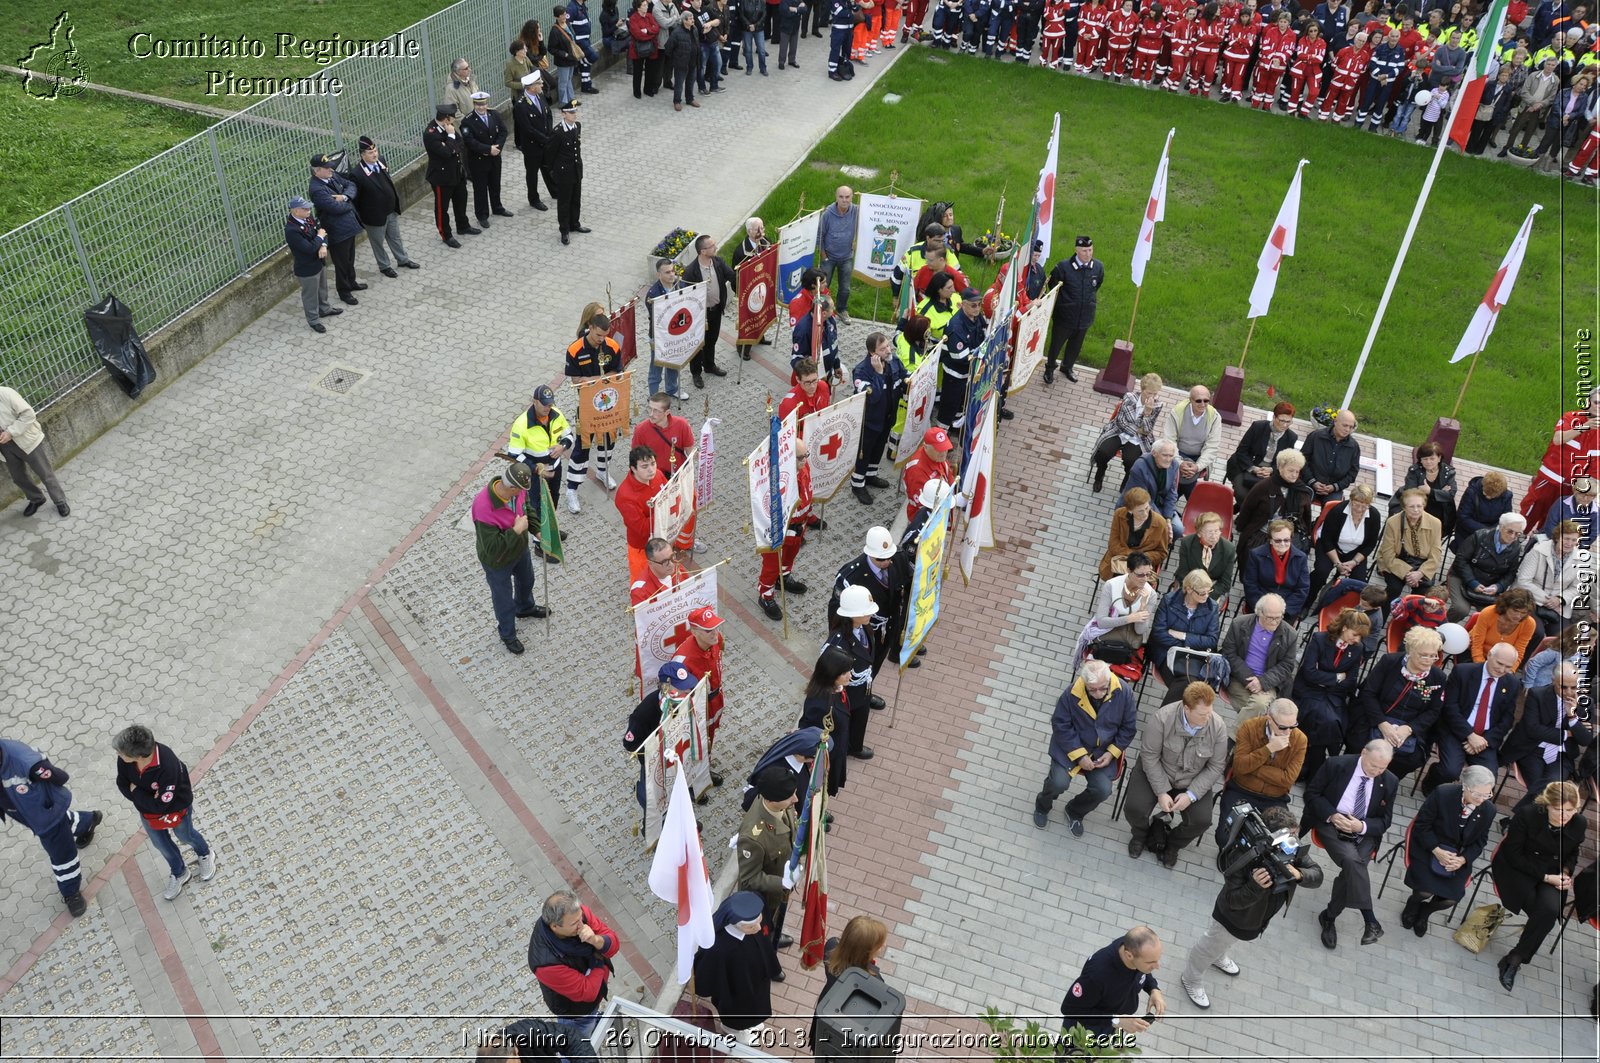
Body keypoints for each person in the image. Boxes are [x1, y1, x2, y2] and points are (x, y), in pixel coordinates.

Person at [1180, 804, 1322, 1009]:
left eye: (1295, 835)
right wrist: (1255, 886)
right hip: (1232, 918)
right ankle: (1191, 979)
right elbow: (1233, 900)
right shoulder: (1242, 855)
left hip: (1257, 918)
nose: (1294, 842)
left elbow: (1317, 874)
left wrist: (1300, 874)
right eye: (1290, 836)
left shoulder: (1289, 844)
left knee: (1225, 943)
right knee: (1210, 945)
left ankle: (1218, 957)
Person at [1492, 781, 1587, 991]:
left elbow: (1572, 853)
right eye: (1558, 810)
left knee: (1549, 911)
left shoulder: (1579, 823)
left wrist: (1565, 873)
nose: (1564, 816)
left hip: (1552, 871)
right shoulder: (1528, 815)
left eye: (1570, 811)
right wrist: (1546, 878)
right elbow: (1513, 855)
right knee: (1545, 915)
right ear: (1547, 804)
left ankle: (1515, 958)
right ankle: (1514, 960)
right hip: (1517, 868)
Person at [1303, 739, 1397, 949]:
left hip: (1362, 829)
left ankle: (1329, 916)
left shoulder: (1389, 781)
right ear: (1363, 752)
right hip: (1332, 824)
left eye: (1383, 767)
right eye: (1373, 765)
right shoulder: (1336, 765)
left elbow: (1385, 821)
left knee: (1352, 870)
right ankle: (1369, 918)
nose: (1377, 771)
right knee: (1352, 861)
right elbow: (1311, 794)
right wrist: (1332, 816)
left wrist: (1361, 827)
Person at [1123, 682, 1229, 868]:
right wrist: (1162, 791)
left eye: (1210, 712)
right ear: (1187, 708)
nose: (1208, 717)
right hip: (1157, 770)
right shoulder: (1162, 719)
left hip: (1192, 780)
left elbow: (1216, 766)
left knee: (1202, 821)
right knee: (1134, 808)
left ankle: (1172, 845)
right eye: (1202, 714)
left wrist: (1191, 794)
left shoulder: (1218, 726)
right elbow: (1149, 756)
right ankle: (1140, 835)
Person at [0, 738, 102, 918]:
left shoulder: (23, 760)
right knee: (61, 829)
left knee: (62, 855)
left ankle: (71, 892)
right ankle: (88, 821)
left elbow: (59, 777)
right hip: (25, 812)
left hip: (46, 814)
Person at [113, 723, 217, 900]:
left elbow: (162, 805)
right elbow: (122, 784)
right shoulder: (125, 761)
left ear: (138, 756)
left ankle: (205, 854)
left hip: (176, 809)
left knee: (186, 836)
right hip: (148, 813)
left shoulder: (167, 766)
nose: (118, 755)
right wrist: (147, 800)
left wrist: (136, 791)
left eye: (121, 753)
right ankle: (179, 872)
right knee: (161, 844)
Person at [1033, 659, 1137, 835]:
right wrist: (1080, 756)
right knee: (1057, 783)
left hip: (1103, 752)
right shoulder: (1071, 693)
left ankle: (1075, 811)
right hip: (1071, 748)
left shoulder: (1124, 692)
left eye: (1103, 688)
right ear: (1085, 684)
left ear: (1110, 679)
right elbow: (1060, 725)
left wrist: (1112, 753)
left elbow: (1128, 728)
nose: (1098, 694)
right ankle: (1042, 806)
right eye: (1092, 689)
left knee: (1103, 790)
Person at [1399, 766, 1496, 938]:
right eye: (1477, 794)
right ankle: (1413, 903)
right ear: (1465, 786)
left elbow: (1481, 841)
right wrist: (1436, 850)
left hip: (1456, 856)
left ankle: (1425, 912)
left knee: (1449, 899)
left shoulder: (1488, 810)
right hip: (1429, 847)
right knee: (1424, 892)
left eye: (1487, 795)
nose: (1482, 799)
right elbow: (1421, 826)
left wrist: (1463, 860)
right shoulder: (1442, 794)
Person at [527, 889, 620, 1059]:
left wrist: (595, 940)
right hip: (576, 1014)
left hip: (591, 999)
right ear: (555, 926)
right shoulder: (545, 963)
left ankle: (594, 1021)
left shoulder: (577, 914)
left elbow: (613, 943)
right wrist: (599, 958)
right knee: (574, 1051)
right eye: (574, 924)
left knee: (591, 1017)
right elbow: (588, 992)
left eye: (580, 919)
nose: (581, 926)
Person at [1421, 642, 1522, 793]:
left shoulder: (1512, 683)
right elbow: (1449, 707)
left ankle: (1463, 800)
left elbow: (1507, 719)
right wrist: (1469, 735)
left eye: (1508, 667)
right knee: (1449, 772)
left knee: (1488, 781)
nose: (1502, 670)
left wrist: (1485, 740)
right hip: (1456, 731)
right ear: (1489, 655)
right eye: (1499, 663)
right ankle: (1431, 782)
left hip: (1485, 739)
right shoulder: (1463, 672)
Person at [1349, 625, 1446, 780]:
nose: (1429, 661)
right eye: (1424, 655)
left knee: (1411, 758)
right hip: (1377, 718)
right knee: (1358, 743)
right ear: (1411, 651)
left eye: (1433, 656)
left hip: (1408, 727)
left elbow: (1434, 711)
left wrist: (1409, 729)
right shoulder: (1389, 662)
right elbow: (1369, 693)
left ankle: (1383, 785)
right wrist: (1382, 723)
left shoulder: (1438, 677)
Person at [473, 461, 548, 655]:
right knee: (503, 599)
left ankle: (524, 607)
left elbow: (527, 509)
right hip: (498, 562)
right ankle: (507, 633)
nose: (522, 494)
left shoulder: (519, 490)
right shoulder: (483, 507)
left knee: (527, 580)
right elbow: (492, 549)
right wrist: (516, 531)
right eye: (519, 490)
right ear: (511, 487)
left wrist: (537, 531)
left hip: (520, 550)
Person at [1214, 698, 1305, 848]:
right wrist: (1268, 749)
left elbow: (1288, 779)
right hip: (1241, 790)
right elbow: (1240, 766)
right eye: (1283, 727)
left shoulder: (1300, 739)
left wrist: (1253, 767)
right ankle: (1229, 859)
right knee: (1224, 838)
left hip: (1275, 798)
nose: (1288, 732)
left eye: (1293, 726)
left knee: (1283, 844)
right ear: (1269, 718)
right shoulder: (1249, 727)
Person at [1502, 664, 1594, 811]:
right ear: (1553, 681)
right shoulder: (1537, 695)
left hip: (1562, 755)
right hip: (1533, 749)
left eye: (1573, 687)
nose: (1569, 692)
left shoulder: (1586, 704)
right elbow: (1533, 730)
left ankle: (1513, 823)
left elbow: (1585, 740)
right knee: (1546, 792)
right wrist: (1568, 733)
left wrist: (1572, 717)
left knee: (1550, 788)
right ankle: (1518, 825)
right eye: (1563, 687)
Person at [1293, 608, 1370, 782]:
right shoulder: (1320, 639)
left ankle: (1307, 766)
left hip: (1334, 696)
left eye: (1360, 637)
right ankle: (1316, 772)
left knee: (1332, 722)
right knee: (1326, 721)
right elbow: (1309, 672)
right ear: (1344, 628)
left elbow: (1351, 681)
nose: (1357, 640)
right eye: (1355, 634)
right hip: (1309, 691)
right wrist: (1337, 677)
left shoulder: (1357, 648)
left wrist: (1326, 679)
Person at [692, 892, 781, 1041]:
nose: (759, 928)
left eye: (759, 921)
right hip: (735, 992)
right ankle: (734, 1030)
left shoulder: (753, 919)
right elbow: (705, 978)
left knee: (758, 1002)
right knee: (738, 1014)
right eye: (751, 927)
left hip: (757, 980)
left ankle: (752, 1023)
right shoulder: (716, 948)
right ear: (735, 923)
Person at [1060, 927, 1166, 1044]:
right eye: (1151, 962)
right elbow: (1070, 1009)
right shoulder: (1096, 975)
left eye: (1157, 959)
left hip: (1112, 1024)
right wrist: (1116, 1020)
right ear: (1129, 955)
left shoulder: (1135, 951)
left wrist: (1153, 989)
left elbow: (1143, 972)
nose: (1157, 967)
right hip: (1084, 1033)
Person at [736, 765, 799, 956]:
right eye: (790, 797)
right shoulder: (753, 837)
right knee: (761, 934)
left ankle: (773, 936)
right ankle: (766, 955)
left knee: (774, 922)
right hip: (764, 899)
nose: (795, 799)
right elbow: (749, 878)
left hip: (778, 891)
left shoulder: (777, 800)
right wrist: (782, 882)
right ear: (771, 801)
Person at [507, 385, 575, 557]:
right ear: (534, 401)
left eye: (550, 404)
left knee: (553, 499)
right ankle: (539, 543)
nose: (548, 407)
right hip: (535, 475)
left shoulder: (556, 414)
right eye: (544, 404)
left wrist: (562, 446)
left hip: (555, 468)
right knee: (536, 505)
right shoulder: (522, 424)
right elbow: (514, 453)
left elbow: (569, 436)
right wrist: (535, 468)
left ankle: (550, 531)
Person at [829, 529, 906, 681]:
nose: (886, 562)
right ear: (869, 553)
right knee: (856, 669)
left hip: (889, 626)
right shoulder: (850, 576)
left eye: (888, 557)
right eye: (880, 559)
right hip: (862, 631)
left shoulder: (898, 558)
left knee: (876, 662)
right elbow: (836, 611)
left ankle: (867, 691)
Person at [1518, 384, 1599, 528]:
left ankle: (1542, 540)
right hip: (1551, 479)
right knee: (1532, 508)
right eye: (1596, 402)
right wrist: (1584, 427)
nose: (1598, 407)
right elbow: (1557, 439)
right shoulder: (1570, 417)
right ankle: (1519, 535)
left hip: (1572, 487)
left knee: (1556, 520)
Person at [622, 661, 698, 811]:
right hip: (655, 762)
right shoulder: (645, 713)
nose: (689, 690)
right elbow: (630, 743)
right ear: (666, 688)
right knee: (650, 795)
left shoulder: (684, 700)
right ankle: (653, 826)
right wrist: (654, 749)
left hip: (678, 752)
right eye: (682, 688)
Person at [812, 915, 890, 1056]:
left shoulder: (831, 947)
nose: (883, 946)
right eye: (879, 944)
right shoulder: (874, 981)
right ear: (867, 951)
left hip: (826, 1014)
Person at [757, 437, 813, 620]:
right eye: (799, 457)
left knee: (790, 557)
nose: (804, 460)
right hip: (779, 532)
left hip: (798, 528)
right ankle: (766, 595)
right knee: (772, 567)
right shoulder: (777, 480)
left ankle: (784, 578)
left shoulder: (804, 468)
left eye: (806, 455)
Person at [346, 137, 418, 277]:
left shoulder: (381, 161)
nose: (374, 154)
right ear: (362, 155)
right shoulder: (357, 174)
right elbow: (356, 199)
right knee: (377, 242)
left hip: (390, 209)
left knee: (395, 237)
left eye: (375, 150)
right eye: (370, 152)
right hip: (374, 215)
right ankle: (384, 265)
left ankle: (402, 259)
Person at [1221, 592, 1297, 722]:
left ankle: (1234, 740)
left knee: (1259, 705)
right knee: (1263, 712)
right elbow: (1229, 653)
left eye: (1279, 617)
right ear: (1259, 612)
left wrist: (1262, 682)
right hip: (1239, 678)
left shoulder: (1290, 634)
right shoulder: (1239, 624)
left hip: (1268, 683)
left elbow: (1287, 665)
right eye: (1270, 618)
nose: (1275, 622)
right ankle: (1250, 738)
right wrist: (1249, 680)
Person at [1306, 482, 1381, 608]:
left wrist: (1354, 562)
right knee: (1321, 571)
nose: (1359, 509)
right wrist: (1338, 564)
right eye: (1356, 504)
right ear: (1350, 500)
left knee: (1358, 581)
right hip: (1331, 547)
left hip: (1354, 552)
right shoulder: (1338, 511)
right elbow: (1327, 539)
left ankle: (1340, 605)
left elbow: (1370, 544)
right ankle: (1307, 602)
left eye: (1365, 506)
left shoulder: (1374, 515)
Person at [1149, 570, 1221, 700]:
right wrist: (1184, 646)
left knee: (1187, 688)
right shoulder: (1169, 601)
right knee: (1192, 690)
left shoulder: (1212, 607)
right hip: (1167, 654)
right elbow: (1158, 633)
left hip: (1196, 657)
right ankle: (1171, 719)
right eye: (1201, 593)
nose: (1206, 596)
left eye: (1208, 592)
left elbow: (1212, 640)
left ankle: (1164, 718)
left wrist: (1183, 636)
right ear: (1188, 589)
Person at [1043, 236, 1104, 385]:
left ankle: (1067, 367)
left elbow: (1097, 285)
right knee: (1056, 345)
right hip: (1065, 317)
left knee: (1075, 346)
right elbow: (1053, 286)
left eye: (1090, 250)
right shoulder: (1063, 267)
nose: (1088, 254)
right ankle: (1049, 368)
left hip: (1085, 317)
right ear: (1076, 250)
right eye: (1084, 250)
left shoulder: (1098, 267)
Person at [0, 385, 69, 516]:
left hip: (25, 439)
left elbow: (28, 414)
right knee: (18, 477)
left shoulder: (6, 393)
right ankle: (37, 499)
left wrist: (10, 432)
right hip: (4, 447)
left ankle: (60, 501)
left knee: (44, 473)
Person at [850, 333, 903, 504]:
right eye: (883, 349)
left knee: (879, 449)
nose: (888, 350)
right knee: (864, 454)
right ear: (873, 354)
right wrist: (879, 374)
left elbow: (903, 375)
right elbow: (873, 397)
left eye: (888, 345)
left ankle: (870, 476)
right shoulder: (861, 372)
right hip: (869, 422)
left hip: (887, 418)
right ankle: (857, 483)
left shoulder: (892, 360)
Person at [1091, 373, 1165, 493]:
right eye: (1149, 393)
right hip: (1119, 432)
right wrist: (1137, 429)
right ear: (1142, 390)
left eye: (1155, 394)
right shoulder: (1129, 398)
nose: (1152, 397)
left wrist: (1147, 413)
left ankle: (1126, 483)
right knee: (1103, 452)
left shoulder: (1157, 405)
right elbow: (1120, 421)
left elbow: (1147, 430)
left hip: (1138, 439)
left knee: (1132, 461)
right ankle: (1100, 474)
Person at [673, 606, 729, 765]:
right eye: (708, 630)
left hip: (716, 700)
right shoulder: (683, 660)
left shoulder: (716, 639)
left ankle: (706, 763)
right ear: (695, 632)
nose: (714, 632)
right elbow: (675, 694)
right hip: (697, 710)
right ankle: (698, 773)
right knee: (699, 742)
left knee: (710, 736)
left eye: (715, 627)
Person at [1447, 512, 1527, 621]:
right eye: (1510, 531)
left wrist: (1498, 586)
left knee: (1491, 615)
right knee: (1460, 609)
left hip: (1489, 585)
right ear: (1501, 527)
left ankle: (1473, 635)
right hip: (1462, 577)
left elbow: (1511, 573)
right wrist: (1472, 582)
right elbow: (1461, 560)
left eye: (1518, 534)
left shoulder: (1516, 547)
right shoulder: (1479, 536)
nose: (1513, 537)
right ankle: (1442, 627)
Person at [1514, 518, 1584, 644]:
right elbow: (1523, 580)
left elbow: (1576, 588)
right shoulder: (1538, 550)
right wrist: (1548, 600)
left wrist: (1559, 599)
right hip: (1531, 599)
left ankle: (1543, 662)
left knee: (1563, 640)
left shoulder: (1580, 559)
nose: (1569, 543)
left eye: (1574, 540)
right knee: (1536, 633)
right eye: (1566, 538)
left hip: (1559, 606)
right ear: (1557, 537)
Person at [307, 153, 364, 306]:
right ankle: (344, 291)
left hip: (348, 226)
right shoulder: (317, 189)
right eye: (326, 168)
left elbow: (351, 185)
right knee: (342, 262)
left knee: (350, 258)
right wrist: (350, 203)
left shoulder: (331, 177)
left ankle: (351, 282)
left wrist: (345, 197)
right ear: (316, 171)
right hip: (337, 230)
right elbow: (334, 208)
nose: (331, 170)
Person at [798, 646, 856, 796]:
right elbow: (814, 736)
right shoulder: (821, 705)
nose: (850, 676)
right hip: (826, 758)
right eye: (845, 673)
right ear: (832, 674)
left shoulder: (835, 689)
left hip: (838, 747)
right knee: (821, 789)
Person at [681, 236, 735, 385]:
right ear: (702, 251)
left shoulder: (718, 262)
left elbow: (732, 275)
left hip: (716, 310)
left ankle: (709, 366)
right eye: (712, 246)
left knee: (712, 340)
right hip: (700, 315)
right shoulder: (691, 271)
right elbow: (686, 295)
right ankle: (696, 373)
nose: (715, 247)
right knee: (698, 344)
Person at [1083, 552, 1157, 662]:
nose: (1145, 579)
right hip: (1106, 637)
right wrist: (1130, 618)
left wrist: (1142, 606)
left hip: (1128, 644)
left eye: (1148, 574)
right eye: (1140, 575)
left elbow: (1140, 630)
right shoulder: (1111, 585)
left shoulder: (1151, 594)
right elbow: (1101, 622)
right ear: (1129, 571)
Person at [1236, 449, 1313, 552]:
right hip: (1262, 534)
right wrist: (1243, 531)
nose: (1294, 475)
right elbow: (1246, 509)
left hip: (1288, 537)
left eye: (1297, 471)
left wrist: (1306, 534)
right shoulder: (1263, 486)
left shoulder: (1302, 491)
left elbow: (1306, 517)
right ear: (1280, 468)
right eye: (1291, 470)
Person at [1375, 487, 1444, 600]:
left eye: (1419, 506)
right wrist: (1409, 573)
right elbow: (1388, 554)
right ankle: (1381, 616)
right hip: (1396, 561)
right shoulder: (1393, 522)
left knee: (1422, 594)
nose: (1416, 510)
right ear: (1404, 507)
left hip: (1421, 565)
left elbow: (1436, 555)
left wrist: (1420, 573)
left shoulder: (1435, 523)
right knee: (1393, 589)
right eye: (1411, 506)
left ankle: (1409, 616)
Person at [1158, 385, 1221, 501]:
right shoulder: (1177, 412)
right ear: (1190, 400)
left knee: (1185, 479)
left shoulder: (1215, 417)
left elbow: (1212, 447)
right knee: (1187, 482)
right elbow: (1170, 440)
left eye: (1206, 400)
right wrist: (1179, 462)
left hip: (1198, 457)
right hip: (1178, 453)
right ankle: (1185, 503)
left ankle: (1169, 501)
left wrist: (1198, 466)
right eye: (1198, 401)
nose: (1203, 404)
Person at [614, 446, 668, 579]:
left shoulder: (658, 475)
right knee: (642, 581)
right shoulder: (625, 496)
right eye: (644, 466)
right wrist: (664, 510)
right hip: (641, 547)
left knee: (664, 576)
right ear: (633, 468)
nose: (651, 469)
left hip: (662, 538)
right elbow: (642, 528)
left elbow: (669, 494)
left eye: (653, 463)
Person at [1224, 402, 1297, 501]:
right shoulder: (1258, 427)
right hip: (1245, 466)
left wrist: (1271, 470)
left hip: (1268, 473)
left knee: (1266, 499)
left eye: (1288, 422)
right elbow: (1241, 451)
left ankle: (1244, 509)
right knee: (1243, 494)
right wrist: (1253, 468)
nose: (1285, 425)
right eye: (1282, 420)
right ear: (1274, 417)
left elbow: (1285, 462)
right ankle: (1244, 510)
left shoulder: (1291, 437)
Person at [461, 92, 514, 229]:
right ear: (474, 105)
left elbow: (503, 131)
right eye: (478, 105)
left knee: (495, 184)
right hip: (479, 161)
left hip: (495, 157)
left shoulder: (494, 114)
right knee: (480, 189)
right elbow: (470, 142)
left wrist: (497, 147)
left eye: (484, 104)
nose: (482, 107)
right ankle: (482, 215)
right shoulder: (467, 121)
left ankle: (497, 207)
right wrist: (488, 149)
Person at [283, 196, 335, 335]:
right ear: (295, 211)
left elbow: (321, 230)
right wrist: (320, 237)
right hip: (307, 267)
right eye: (304, 208)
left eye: (308, 208)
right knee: (310, 295)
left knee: (322, 287)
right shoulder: (292, 230)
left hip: (319, 261)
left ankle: (324, 308)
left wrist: (323, 244)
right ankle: (313, 320)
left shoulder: (308, 218)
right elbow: (310, 248)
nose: (308, 210)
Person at [424, 104, 474, 248]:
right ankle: (446, 234)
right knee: (442, 208)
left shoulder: (449, 127)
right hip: (442, 177)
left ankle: (463, 226)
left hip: (457, 173)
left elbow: (460, 144)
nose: (453, 119)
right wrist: (451, 137)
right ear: (446, 118)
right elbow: (445, 153)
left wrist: (451, 144)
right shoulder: (431, 133)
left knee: (461, 200)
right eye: (452, 117)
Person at [1240, 519, 1311, 621]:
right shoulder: (1256, 555)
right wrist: (1265, 608)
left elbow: (1303, 589)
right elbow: (1250, 584)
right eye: (1278, 540)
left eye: (1286, 540)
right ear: (1270, 540)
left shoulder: (1300, 558)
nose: (1282, 544)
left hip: (1286, 609)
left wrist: (1283, 610)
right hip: (1262, 604)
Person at [1388, 441, 1457, 537]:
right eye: (1425, 459)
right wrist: (1440, 493)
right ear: (1420, 460)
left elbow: (1450, 495)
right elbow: (1410, 493)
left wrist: (1430, 491)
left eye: (1432, 458)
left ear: (1439, 458)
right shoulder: (1414, 471)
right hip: (1416, 507)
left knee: (1434, 530)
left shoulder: (1448, 472)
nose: (1428, 462)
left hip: (1439, 511)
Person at [1101, 488, 1172, 579]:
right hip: (1119, 560)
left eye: (1147, 508)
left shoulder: (1160, 523)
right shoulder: (1119, 514)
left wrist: (1141, 558)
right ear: (1130, 511)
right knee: (1117, 582)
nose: (1145, 513)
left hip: (1142, 565)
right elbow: (1113, 543)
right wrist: (1131, 555)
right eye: (1140, 511)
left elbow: (1162, 553)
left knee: (1134, 584)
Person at [512, 72, 555, 212]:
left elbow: (548, 115)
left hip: (545, 141)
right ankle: (533, 199)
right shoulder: (520, 105)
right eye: (539, 83)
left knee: (548, 168)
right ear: (531, 87)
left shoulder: (539, 96)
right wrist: (544, 138)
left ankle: (554, 191)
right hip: (532, 146)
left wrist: (549, 133)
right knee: (532, 173)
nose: (542, 84)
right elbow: (527, 129)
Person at [548, 99, 588, 246]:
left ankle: (574, 224)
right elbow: (550, 154)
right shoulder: (557, 132)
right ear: (563, 114)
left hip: (576, 170)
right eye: (570, 112)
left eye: (575, 111)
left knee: (576, 199)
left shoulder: (577, 126)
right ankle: (564, 230)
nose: (574, 114)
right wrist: (553, 172)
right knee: (564, 203)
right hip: (564, 173)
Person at [1173, 511, 1235, 602]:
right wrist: (1194, 593)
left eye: (1216, 531)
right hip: (1189, 585)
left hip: (1212, 589)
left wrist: (1205, 595)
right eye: (1209, 532)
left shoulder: (1228, 549)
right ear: (1199, 533)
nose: (1214, 536)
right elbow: (1183, 572)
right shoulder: (1187, 543)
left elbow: (1225, 582)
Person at [815, 187, 857, 319]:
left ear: (852, 197)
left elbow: (875, 210)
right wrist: (823, 255)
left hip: (847, 257)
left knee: (845, 288)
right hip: (829, 256)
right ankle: (821, 310)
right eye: (841, 197)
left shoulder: (857, 210)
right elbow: (820, 235)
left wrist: (891, 200)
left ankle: (841, 310)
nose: (844, 200)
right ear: (836, 197)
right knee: (823, 285)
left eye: (847, 197)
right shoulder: (827, 214)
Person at [1302, 409, 1360, 502]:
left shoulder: (1354, 447)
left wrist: (1335, 487)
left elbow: (1352, 474)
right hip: (1309, 483)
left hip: (1334, 490)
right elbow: (1302, 460)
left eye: (1351, 427)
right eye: (1345, 425)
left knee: (1333, 511)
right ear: (1335, 422)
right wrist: (1313, 482)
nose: (1347, 430)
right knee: (1300, 502)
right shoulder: (1316, 436)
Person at [1466, 588, 1537, 665]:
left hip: (1502, 662)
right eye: (1515, 611)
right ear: (1506, 606)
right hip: (1473, 652)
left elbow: (1518, 652)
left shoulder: (1529, 624)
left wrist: (1510, 671)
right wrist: (1481, 666)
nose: (1518, 616)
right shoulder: (1488, 613)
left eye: (1523, 613)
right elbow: (1477, 645)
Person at [1454, 470, 1514, 545]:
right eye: (1485, 494)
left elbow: (1505, 519)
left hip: (1493, 535)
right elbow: (1463, 517)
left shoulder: (1507, 496)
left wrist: (1492, 532)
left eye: (1492, 496)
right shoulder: (1472, 491)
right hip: (1469, 532)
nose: (1488, 497)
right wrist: (1486, 531)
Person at [1542, 474, 1598, 546]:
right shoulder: (1561, 502)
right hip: (1552, 540)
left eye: (1590, 495)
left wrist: (1572, 546)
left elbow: (1591, 536)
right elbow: (1550, 525)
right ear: (1575, 491)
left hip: (1575, 547)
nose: (1586, 498)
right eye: (1582, 494)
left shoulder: (1596, 513)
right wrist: (1559, 543)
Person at [663, 2, 701, 109]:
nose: (693, 20)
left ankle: (690, 99)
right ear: (684, 21)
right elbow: (668, 48)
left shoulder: (695, 29)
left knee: (691, 82)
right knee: (679, 83)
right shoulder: (676, 33)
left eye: (692, 18)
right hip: (681, 64)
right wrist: (676, 60)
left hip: (693, 62)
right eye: (690, 19)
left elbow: (697, 43)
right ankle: (677, 101)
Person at [629, 0, 665, 97]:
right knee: (637, 71)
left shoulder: (649, 16)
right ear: (638, 7)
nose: (647, 7)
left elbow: (657, 28)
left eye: (647, 5)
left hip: (651, 48)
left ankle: (648, 89)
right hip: (638, 49)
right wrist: (651, 34)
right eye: (644, 5)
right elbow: (638, 35)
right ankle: (637, 92)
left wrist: (647, 31)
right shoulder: (633, 18)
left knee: (650, 70)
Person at [568, 0, 604, 93]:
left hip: (585, 39)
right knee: (593, 56)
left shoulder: (581, 5)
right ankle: (580, 62)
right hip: (580, 41)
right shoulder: (572, 7)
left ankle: (586, 85)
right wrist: (574, 41)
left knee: (585, 63)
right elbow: (567, 25)